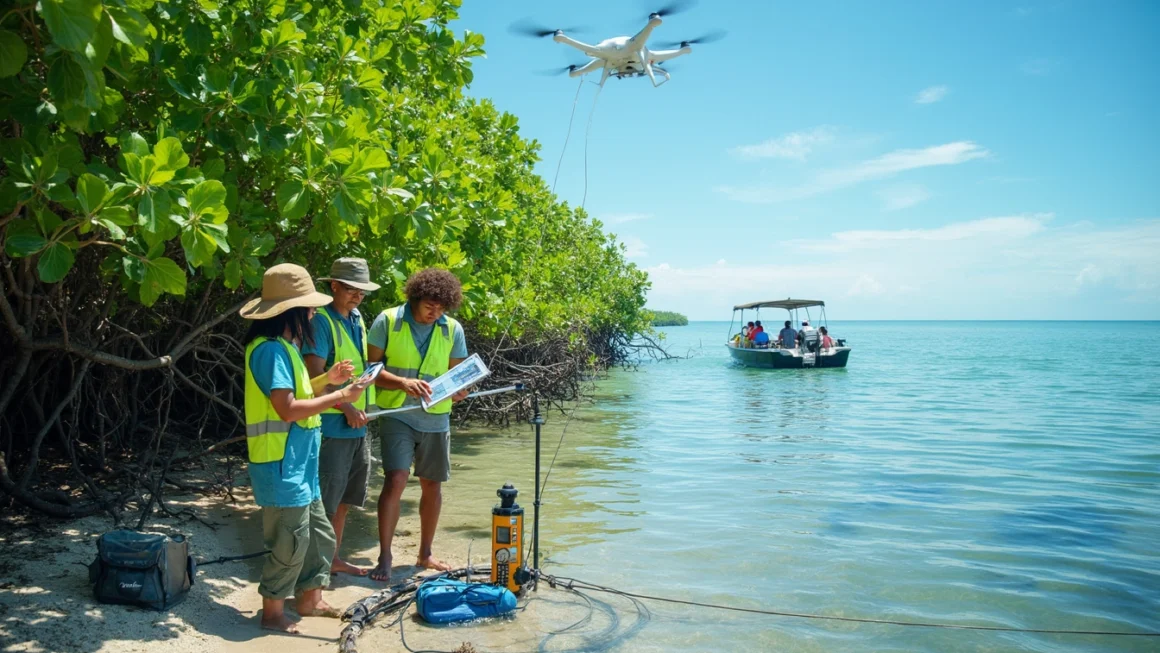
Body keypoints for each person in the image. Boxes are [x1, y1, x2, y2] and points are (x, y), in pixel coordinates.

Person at [239, 263, 372, 634]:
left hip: (301, 463)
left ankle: (310, 599)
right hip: (281, 465)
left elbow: (296, 393)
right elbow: (287, 408)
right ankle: (273, 614)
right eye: (310, 308)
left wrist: (328, 380)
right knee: (290, 541)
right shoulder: (269, 351)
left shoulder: (286, 347)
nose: (314, 313)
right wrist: (340, 397)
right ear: (291, 312)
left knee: (317, 534)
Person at [366, 269, 470, 582]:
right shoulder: (387, 320)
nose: (434, 312)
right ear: (414, 298)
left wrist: (462, 390)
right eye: (429, 305)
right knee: (396, 479)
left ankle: (425, 553)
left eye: (441, 308)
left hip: (436, 418)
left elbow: (459, 376)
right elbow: (370, 369)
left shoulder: (452, 329)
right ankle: (385, 556)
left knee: (432, 484)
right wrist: (401, 383)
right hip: (395, 413)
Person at [302, 258, 380, 577]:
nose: (358, 296)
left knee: (346, 498)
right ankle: (314, 571)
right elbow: (313, 374)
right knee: (326, 502)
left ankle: (332, 559)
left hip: (358, 426)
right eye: (351, 289)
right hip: (332, 425)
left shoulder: (357, 317)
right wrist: (345, 407)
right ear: (333, 286)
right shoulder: (321, 321)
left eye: (362, 291)